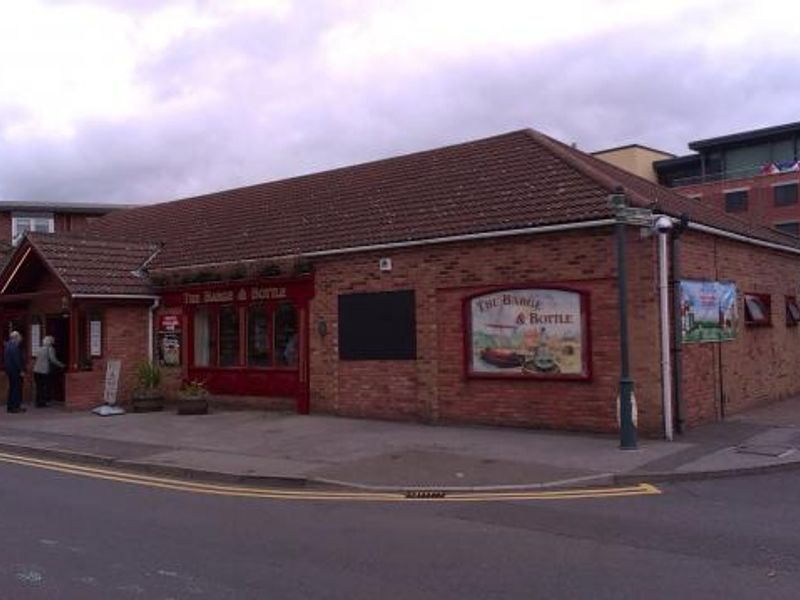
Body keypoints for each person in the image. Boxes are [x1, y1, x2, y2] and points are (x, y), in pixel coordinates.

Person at [33, 335, 65, 408]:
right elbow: (53, 359)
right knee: (44, 387)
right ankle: (43, 402)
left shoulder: (40, 348)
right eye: (53, 340)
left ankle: (38, 402)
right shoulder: (50, 349)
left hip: (36, 370)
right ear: (50, 342)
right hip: (44, 371)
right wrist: (62, 365)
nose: (54, 342)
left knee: (39, 387)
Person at [4, 331, 26, 413]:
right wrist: (21, 370)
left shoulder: (8, 345)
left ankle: (10, 407)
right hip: (15, 371)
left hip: (10, 370)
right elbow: (17, 360)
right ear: (16, 337)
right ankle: (15, 407)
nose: (21, 338)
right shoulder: (15, 346)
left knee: (12, 388)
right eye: (20, 336)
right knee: (17, 389)